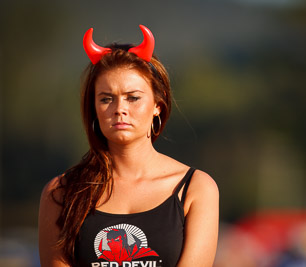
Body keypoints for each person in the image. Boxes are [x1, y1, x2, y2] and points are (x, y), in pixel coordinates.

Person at [38, 25, 219, 267]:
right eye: (106, 98)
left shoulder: (195, 188)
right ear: (93, 108)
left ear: (158, 106)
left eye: (133, 97)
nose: (119, 108)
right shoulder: (60, 193)